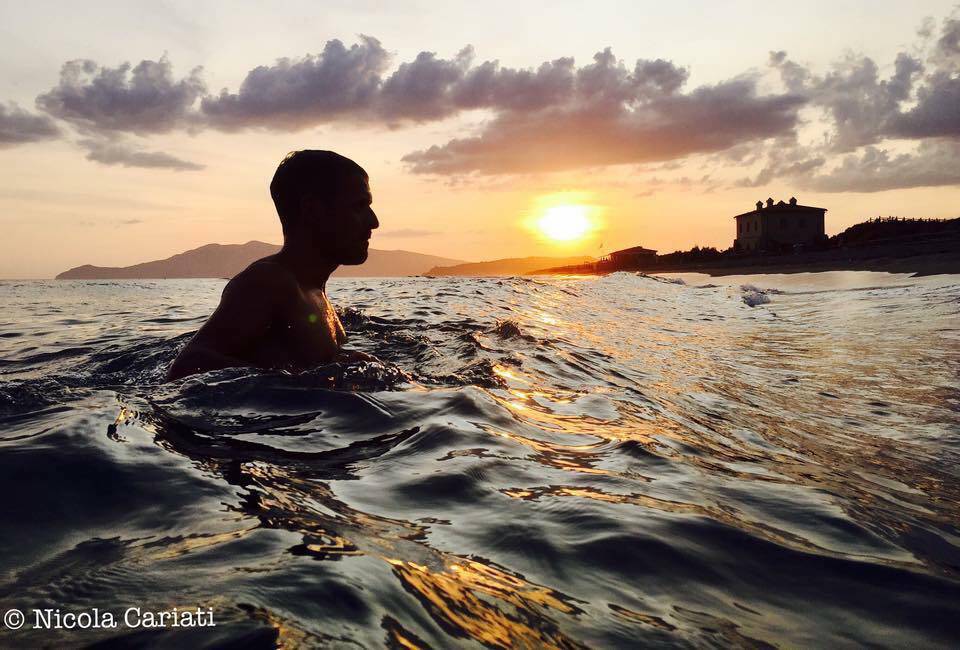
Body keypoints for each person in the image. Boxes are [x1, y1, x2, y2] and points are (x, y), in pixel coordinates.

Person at [165, 150, 379, 381]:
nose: (374, 221)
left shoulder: (312, 291)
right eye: (359, 206)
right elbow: (188, 365)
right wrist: (297, 384)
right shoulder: (270, 281)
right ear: (313, 210)